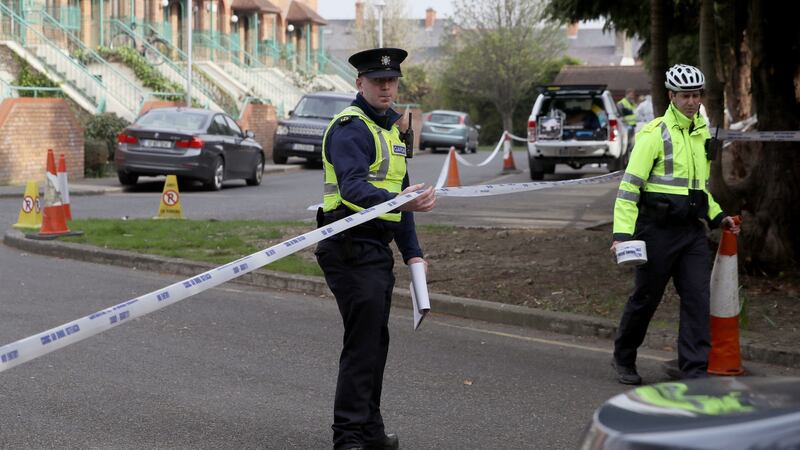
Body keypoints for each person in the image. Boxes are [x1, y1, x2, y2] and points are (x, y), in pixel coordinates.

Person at [314, 47, 436, 450]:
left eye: (392, 81)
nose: (386, 88)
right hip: (347, 246)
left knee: (374, 343)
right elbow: (352, 188)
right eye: (378, 81)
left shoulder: (392, 129)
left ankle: (369, 430)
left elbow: (400, 192)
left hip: (374, 247)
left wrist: (413, 252)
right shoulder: (351, 128)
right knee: (363, 344)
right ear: (359, 84)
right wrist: (401, 204)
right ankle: (348, 437)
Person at [609, 64, 741, 385]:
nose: (692, 101)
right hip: (656, 231)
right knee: (646, 297)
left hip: (691, 233)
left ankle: (694, 370)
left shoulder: (701, 134)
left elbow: (700, 188)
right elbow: (629, 189)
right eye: (685, 95)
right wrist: (622, 234)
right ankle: (623, 357)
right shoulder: (654, 134)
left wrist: (717, 216)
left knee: (697, 299)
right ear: (671, 96)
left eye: (696, 95)